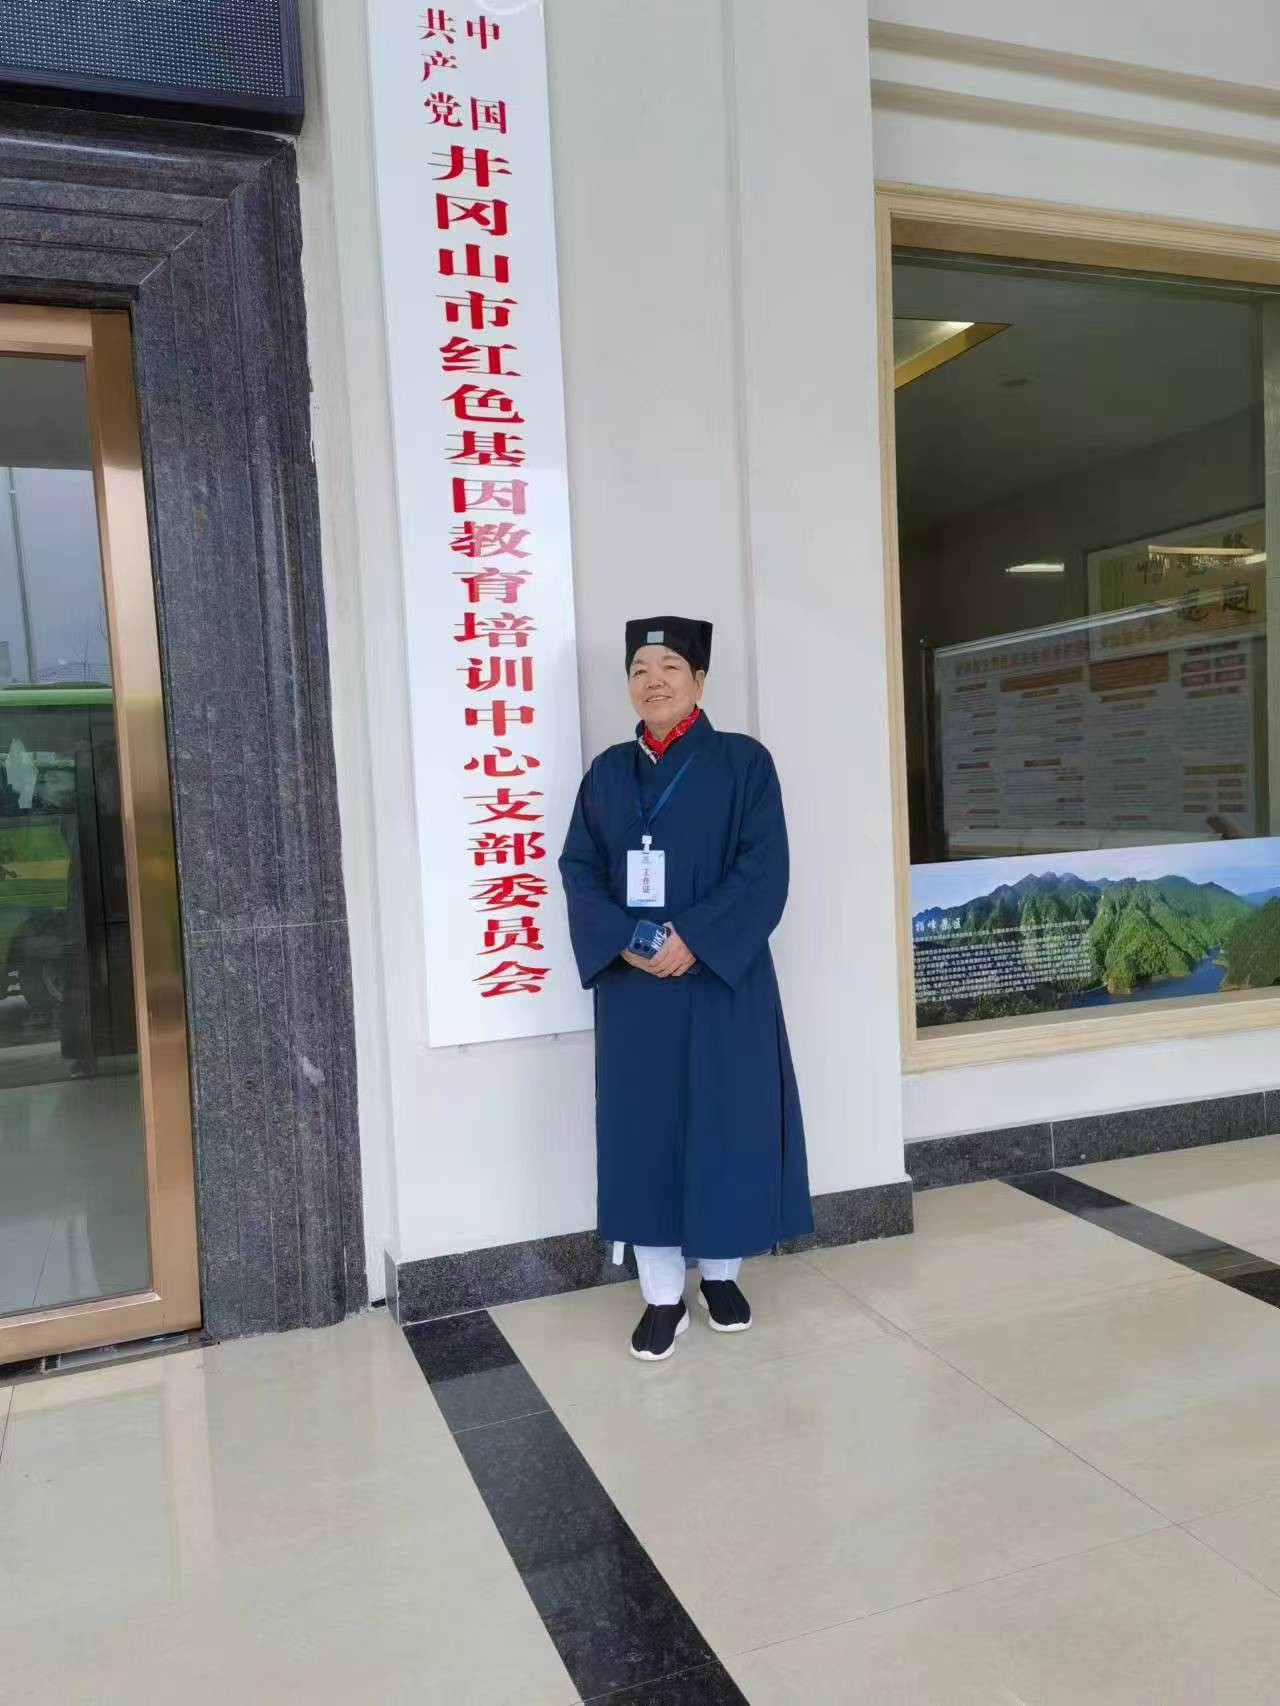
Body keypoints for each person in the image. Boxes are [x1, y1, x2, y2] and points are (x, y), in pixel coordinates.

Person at [559, 616, 812, 1361]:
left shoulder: (744, 765)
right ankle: (663, 1294)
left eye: (671, 666)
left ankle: (723, 1276)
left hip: (723, 982)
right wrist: (626, 940)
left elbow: (764, 868)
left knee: (727, 1126)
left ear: (699, 680)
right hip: (636, 992)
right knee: (647, 1135)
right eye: (640, 669)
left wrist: (693, 938)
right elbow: (578, 870)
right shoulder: (607, 774)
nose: (654, 681)